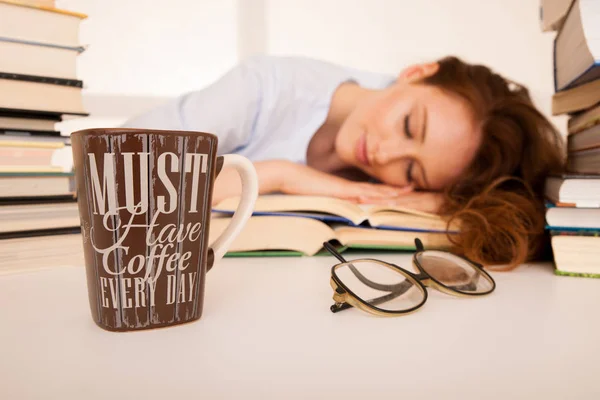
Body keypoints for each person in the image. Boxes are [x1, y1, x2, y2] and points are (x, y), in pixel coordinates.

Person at [122, 55, 565, 269]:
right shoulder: (265, 89)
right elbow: (129, 189)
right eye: (409, 125)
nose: (386, 154)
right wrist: (279, 175)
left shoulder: (390, 188)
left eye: (412, 172)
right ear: (417, 71)